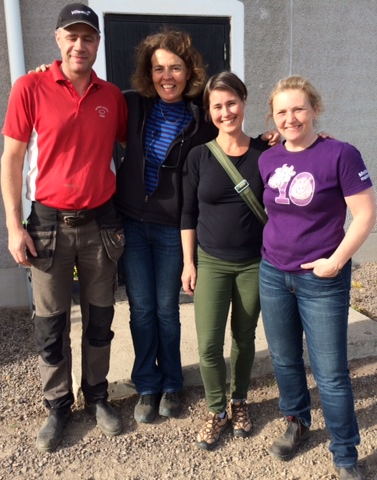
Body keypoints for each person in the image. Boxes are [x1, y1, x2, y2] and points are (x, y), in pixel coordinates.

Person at [0, 3, 128, 453]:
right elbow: (11, 160)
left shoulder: (112, 97)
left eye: (88, 37)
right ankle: (57, 405)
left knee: (100, 319)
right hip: (48, 225)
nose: (80, 45)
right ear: (58, 39)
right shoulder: (30, 87)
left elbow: (144, 142)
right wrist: (15, 227)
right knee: (50, 323)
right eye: (72, 36)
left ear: (97, 43)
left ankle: (96, 395)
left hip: (101, 225)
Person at [258, 75, 376, 480]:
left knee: (330, 372)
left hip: (322, 278)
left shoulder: (340, 154)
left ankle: (345, 454)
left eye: (298, 109)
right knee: (285, 358)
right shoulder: (267, 157)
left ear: (314, 109)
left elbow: (365, 216)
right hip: (273, 272)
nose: (291, 118)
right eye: (282, 111)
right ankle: (297, 421)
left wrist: (337, 261)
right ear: (273, 118)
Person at [114, 29, 218, 424]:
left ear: (189, 71)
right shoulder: (132, 105)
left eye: (175, 67)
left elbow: (236, 140)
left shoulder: (203, 116)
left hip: (173, 228)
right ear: (148, 72)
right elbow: (86, 105)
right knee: (140, 309)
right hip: (133, 223)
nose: (167, 76)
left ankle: (172, 382)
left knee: (166, 309)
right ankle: (147, 385)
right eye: (158, 68)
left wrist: (274, 139)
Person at [180, 72, 267, 450]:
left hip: (254, 263)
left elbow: (305, 157)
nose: (225, 111)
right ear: (209, 111)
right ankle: (216, 410)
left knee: (244, 339)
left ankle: (240, 401)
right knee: (209, 345)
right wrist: (188, 262)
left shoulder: (267, 152)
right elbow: (187, 214)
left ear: (244, 102)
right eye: (217, 106)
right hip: (211, 261)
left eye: (231, 102)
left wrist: (324, 137)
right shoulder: (199, 156)